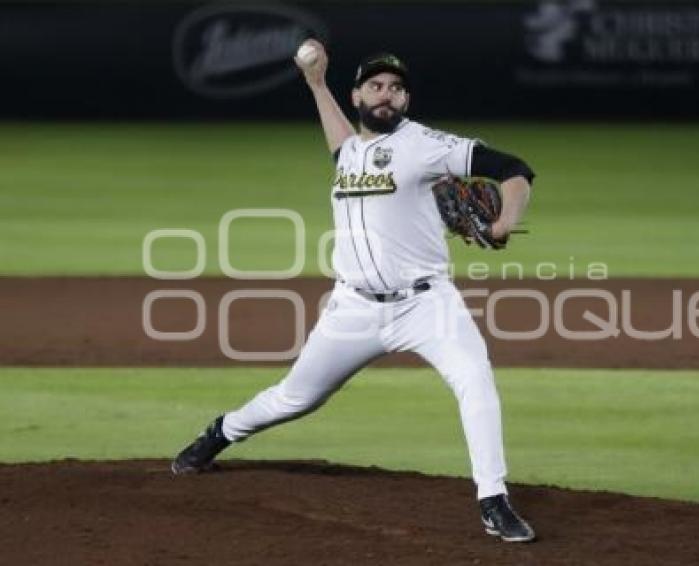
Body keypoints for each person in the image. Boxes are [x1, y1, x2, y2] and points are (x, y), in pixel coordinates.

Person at [172, 41, 537, 543]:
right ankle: (219, 433)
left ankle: (493, 500)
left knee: (475, 378)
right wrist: (316, 84)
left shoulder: (428, 144)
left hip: (426, 305)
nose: (386, 94)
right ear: (358, 95)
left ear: (406, 100)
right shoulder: (350, 153)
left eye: (396, 88)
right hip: (353, 309)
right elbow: (342, 146)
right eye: (376, 86)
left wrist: (502, 223)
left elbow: (516, 169)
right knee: (294, 398)